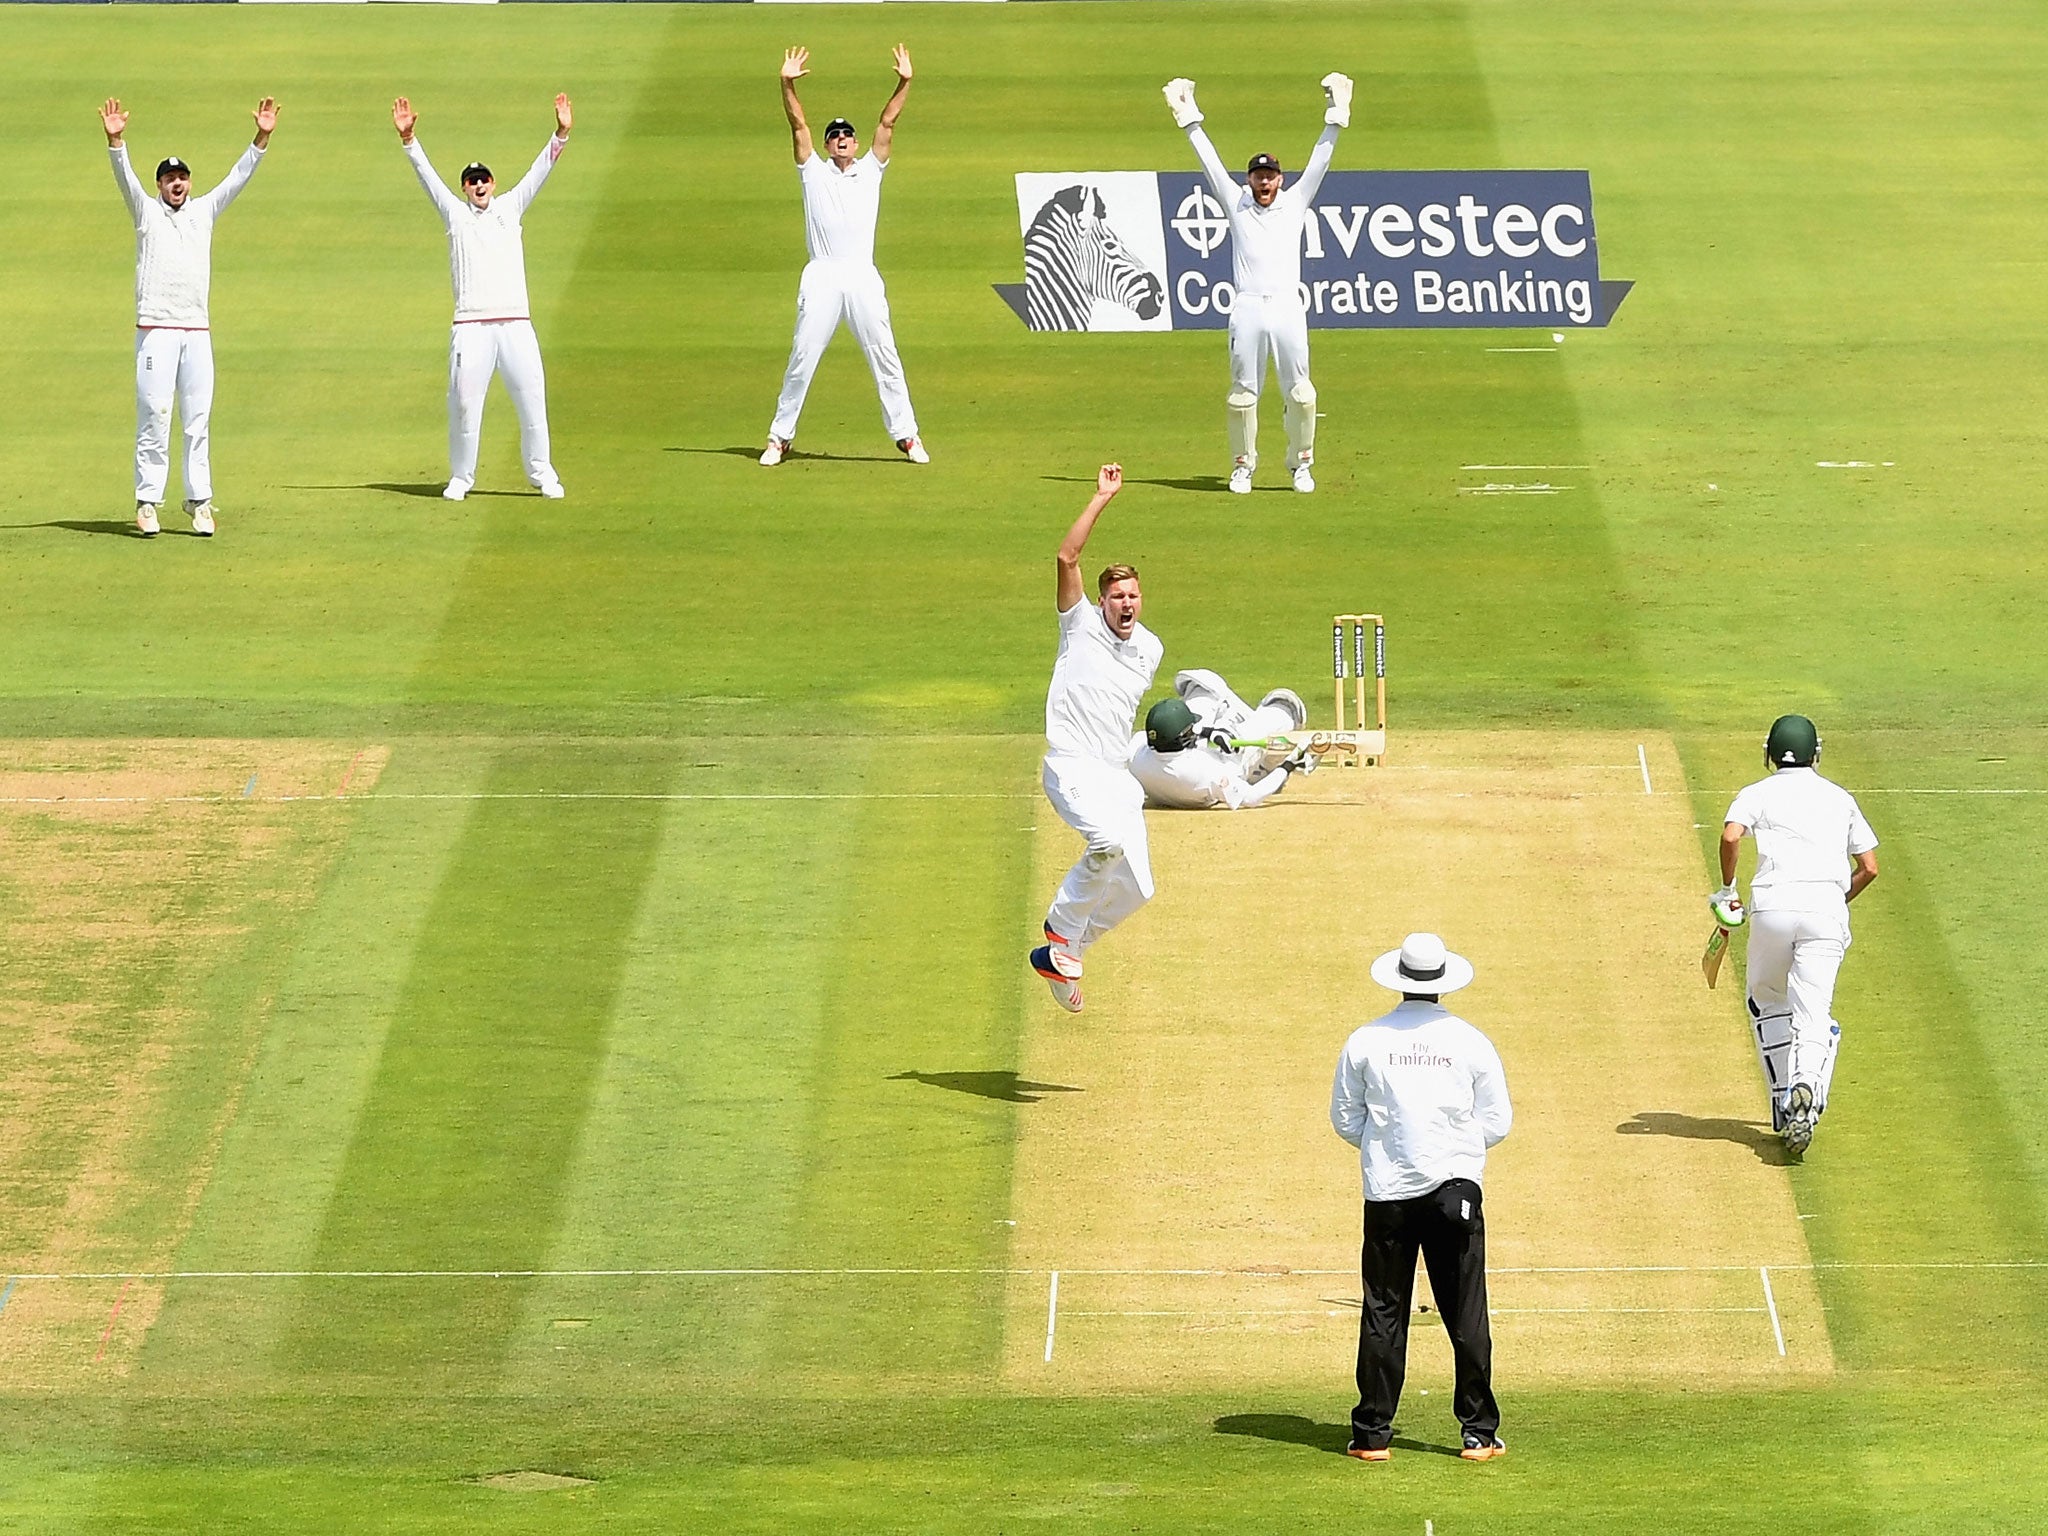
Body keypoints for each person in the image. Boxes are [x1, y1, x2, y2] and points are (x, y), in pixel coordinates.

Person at [1331, 933, 1511, 1464]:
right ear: (1442, 982)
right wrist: (1453, 1153)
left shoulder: (1366, 1040)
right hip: (1454, 1190)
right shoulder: (1471, 1041)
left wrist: (1391, 1149)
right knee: (1467, 1313)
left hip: (1387, 1193)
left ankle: (1372, 1435)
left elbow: (1346, 1120)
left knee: (1384, 1311)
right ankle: (1477, 1433)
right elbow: (1497, 1121)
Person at [1163, 72, 1351, 495]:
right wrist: (1189, 118)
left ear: (1280, 179)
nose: (1264, 182)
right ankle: (1242, 467)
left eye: (1270, 176)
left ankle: (1300, 465)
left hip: (1287, 306)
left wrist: (1335, 118)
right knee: (1242, 396)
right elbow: (1210, 164)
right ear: (1249, 179)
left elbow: (1321, 161)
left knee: (1301, 394)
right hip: (1247, 307)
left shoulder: (1296, 202)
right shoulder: (1237, 203)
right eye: (1257, 176)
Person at [102, 95, 278, 538]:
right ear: (159, 184)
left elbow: (238, 178)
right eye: (168, 178)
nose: (176, 184)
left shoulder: (205, 211)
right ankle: (147, 501)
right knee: (155, 414)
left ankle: (200, 502)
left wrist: (261, 136)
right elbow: (124, 180)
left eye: (181, 177)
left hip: (197, 331)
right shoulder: (146, 212)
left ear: (189, 182)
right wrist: (116, 141)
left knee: (198, 419)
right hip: (155, 329)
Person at [393, 93, 571, 502]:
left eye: (483, 179)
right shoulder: (454, 214)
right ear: (464, 187)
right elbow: (428, 178)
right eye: (471, 181)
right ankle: (462, 477)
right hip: (471, 326)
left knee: (532, 400)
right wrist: (409, 140)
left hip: (516, 324)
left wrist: (560, 133)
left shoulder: (511, 207)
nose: (478, 185)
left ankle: (542, 473)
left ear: (493, 183)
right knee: (464, 405)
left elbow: (538, 171)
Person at [1029, 464, 1159, 1013]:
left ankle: (1064, 955)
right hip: (1072, 766)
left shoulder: (1150, 650)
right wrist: (1101, 498)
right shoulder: (1077, 624)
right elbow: (1066, 558)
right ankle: (1060, 933)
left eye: (1132, 595)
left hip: (1116, 775)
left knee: (1138, 887)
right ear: (1100, 602)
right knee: (1104, 844)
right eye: (1117, 597)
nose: (1126, 604)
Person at [1717, 714, 1879, 1157]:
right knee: (1814, 1014)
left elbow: (1732, 837)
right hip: (1825, 910)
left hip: (1771, 906)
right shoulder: (1839, 797)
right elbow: (1870, 867)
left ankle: (1784, 1100)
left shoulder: (1756, 793)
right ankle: (1806, 1090)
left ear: (1769, 752)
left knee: (1766, 998)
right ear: (1816, 753)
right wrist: (1832, 902)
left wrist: (1728, 890)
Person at [761, 45, 926, 468]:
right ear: (827, 144)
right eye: (834, 137)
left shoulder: (872, 169)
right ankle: (780, 438)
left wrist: (904, 81)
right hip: (822, 275)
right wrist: (786, 82)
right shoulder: (812, 171)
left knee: (884, 353)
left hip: (862, 276)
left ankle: (907, 437)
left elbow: (888, 122)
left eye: (846, 136)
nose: (841, 141)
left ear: (854, 142)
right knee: (803, 356)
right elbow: (797, 124)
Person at [1128, 672, 1314, 810]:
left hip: (1176, 770)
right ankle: (1268, 766)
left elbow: (1168, 740)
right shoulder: (1205, 773)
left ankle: (1231, 715)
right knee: (1285, 706)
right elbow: (1252, 797)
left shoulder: (1136, 754)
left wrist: (1208, 732)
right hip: (1233, 765)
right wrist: (1289, 764)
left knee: (1204, 685)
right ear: (1184, 737)